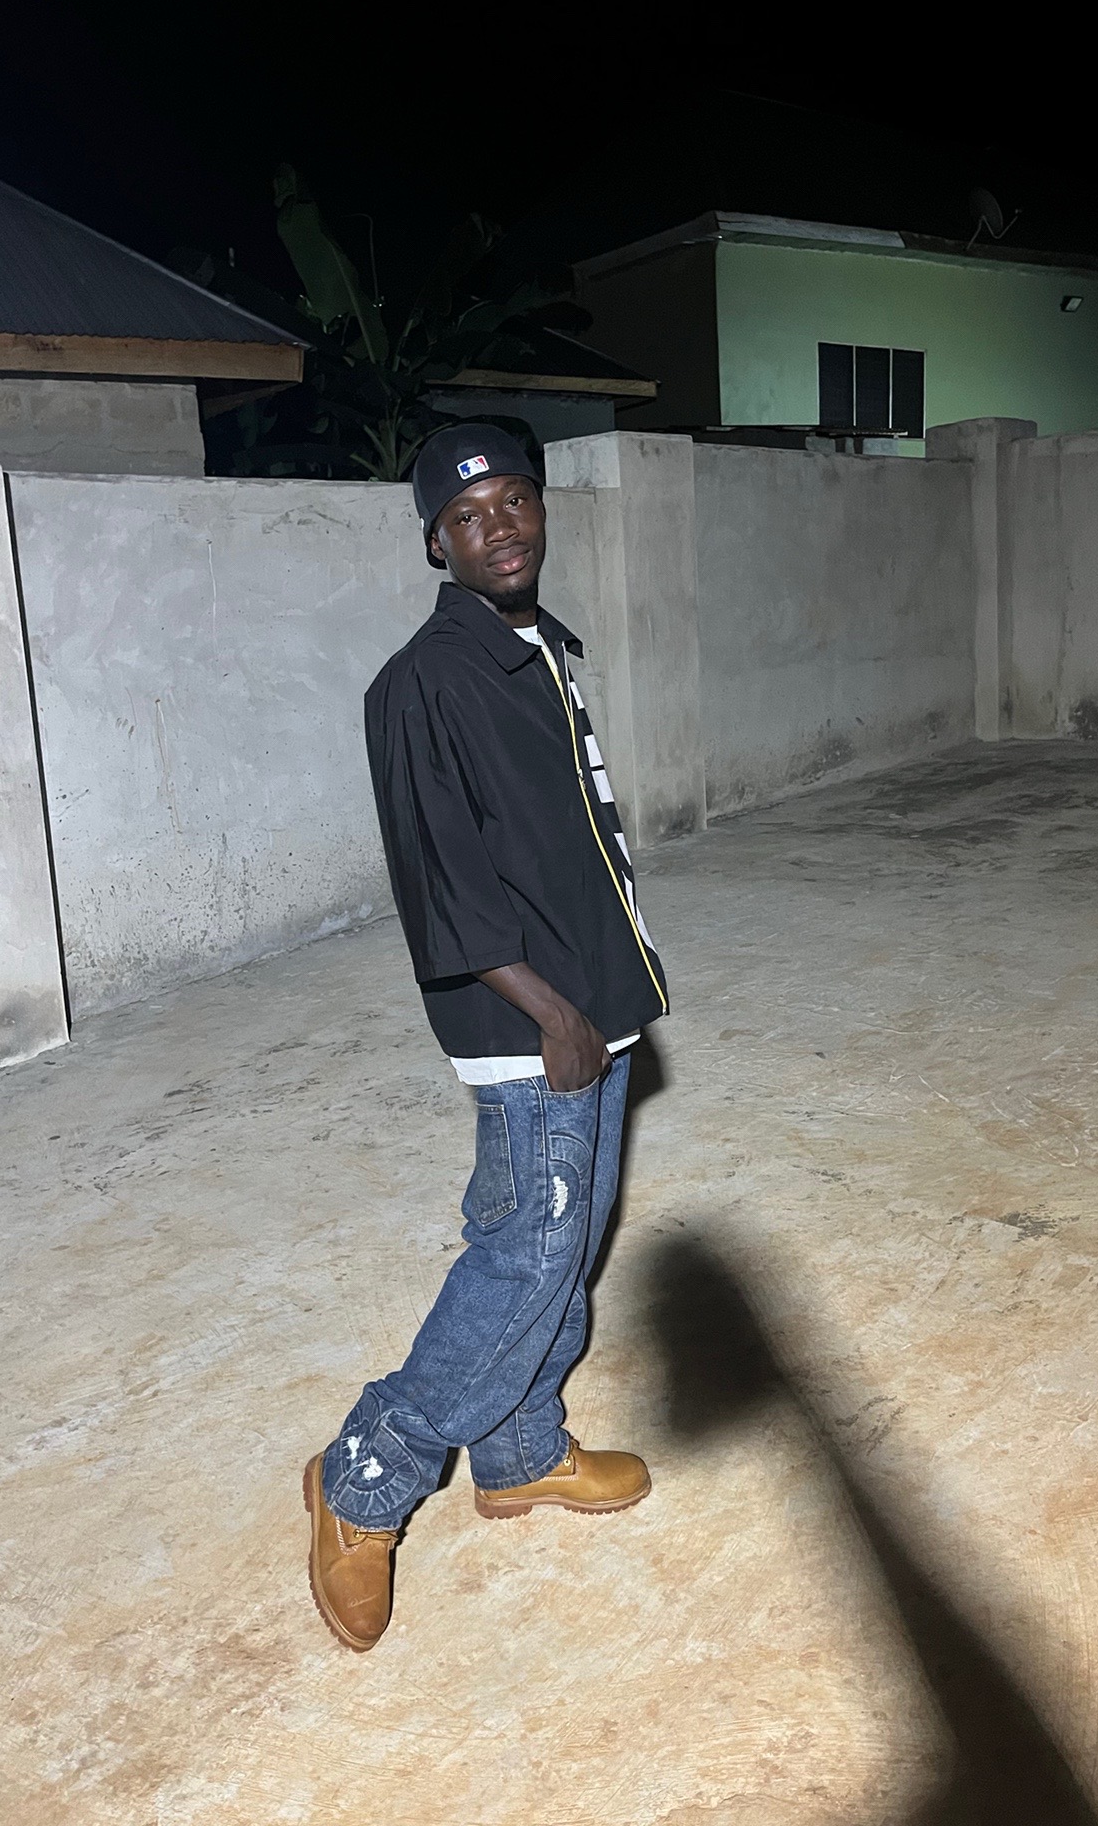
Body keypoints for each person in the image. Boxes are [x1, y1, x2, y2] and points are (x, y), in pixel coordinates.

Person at [303, 424, 670, 1652]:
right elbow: (445, 884)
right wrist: (554, 1013)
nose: (498, 527)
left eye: (514, 501)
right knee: (524, 1258)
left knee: (564, 1246)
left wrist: (605, 997)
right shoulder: (423, 684)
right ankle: (364, 1478)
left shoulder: (536, 649)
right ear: (435, 545)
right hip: (531, 1022)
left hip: (591, 1002)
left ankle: (521, 1453)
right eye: (468, 516)